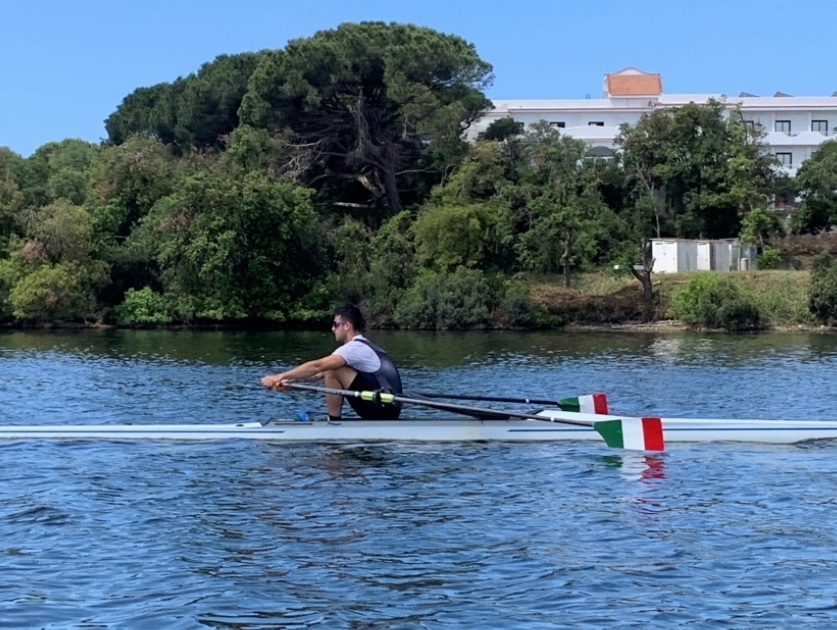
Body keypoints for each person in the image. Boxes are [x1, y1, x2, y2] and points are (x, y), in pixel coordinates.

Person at [260, 305, 403, 420]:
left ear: (347, 325)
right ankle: (333, 420)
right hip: (386, 406)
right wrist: (288, 382)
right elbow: (316, 375)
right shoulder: (361, 347)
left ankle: (333, 420)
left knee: (332, 369)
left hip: (383, 408)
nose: (332, 329)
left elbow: (318, 366)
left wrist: (278, 376)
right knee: (331, 369)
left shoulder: (354, 348)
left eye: (335, 324)